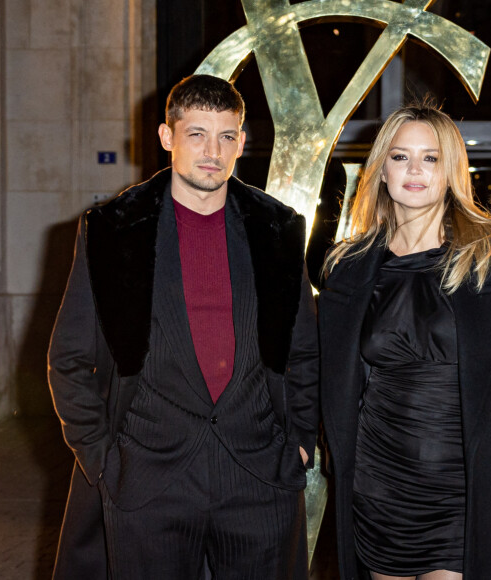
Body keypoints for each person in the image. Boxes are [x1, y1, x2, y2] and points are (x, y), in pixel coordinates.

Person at [48, 74, 319, 580]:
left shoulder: (276, 228)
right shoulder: (113, 230)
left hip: (259, 478)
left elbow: (305, 351)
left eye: (226, 136)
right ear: (167, 137)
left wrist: (299, 441)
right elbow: (67, 359)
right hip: (148, 481)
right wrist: (102, 458)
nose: (212, 150)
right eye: (197, 133)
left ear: (241, 142)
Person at [319, 103, 491, 580]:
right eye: (400, 157)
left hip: (467, 488)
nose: (415, 170)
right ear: (381, 170)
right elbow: (331, 376)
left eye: (431, 158)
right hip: (379, 487)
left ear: (452, 169)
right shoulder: (350, 267)